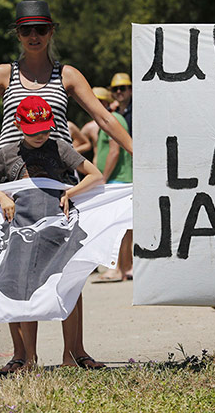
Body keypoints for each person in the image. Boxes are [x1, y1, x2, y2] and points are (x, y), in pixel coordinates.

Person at [0, 0, 132, 373]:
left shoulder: (68, 75)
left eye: (41, 29)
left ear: (51, 32)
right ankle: (24, 357)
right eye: (26, 30)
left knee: (70, 269)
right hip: (11, 188)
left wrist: (140, 154)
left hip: (59, 185)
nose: (34, 36)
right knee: (17, 270)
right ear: (17, 34)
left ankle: (74, 353)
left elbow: (103, 117)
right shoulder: (3, 74)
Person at [0, 96, 104, 371]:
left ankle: (71, 355)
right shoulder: (8, 154)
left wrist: (71, 192)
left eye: (44, 129)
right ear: (19, 126)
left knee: (69, 286)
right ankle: (28, 358)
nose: (40, 136)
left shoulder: (60, 148)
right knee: (23, 289)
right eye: (33, 132)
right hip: (22, 232)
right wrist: (1, 197)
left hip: (59, 231)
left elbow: (95, 175)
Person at [94, 78, 133, 283]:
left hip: (117, 179)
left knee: (116, 227)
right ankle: (125, 267)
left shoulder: (112, 118)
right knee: (124, 228)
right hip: (120, 179)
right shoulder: (114, 117)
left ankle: (116, 268)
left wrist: (102, 178)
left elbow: (114, 151)